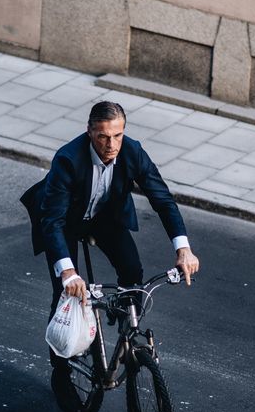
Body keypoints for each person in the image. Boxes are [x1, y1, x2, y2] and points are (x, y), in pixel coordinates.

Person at [21, 101, 201, 360]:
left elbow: (162, 199)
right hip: (65, 221)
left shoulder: (132, 152)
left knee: (132, 271)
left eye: (117, 135)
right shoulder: (68, 159)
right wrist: (69, 273)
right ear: (89, 132)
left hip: (105, 217)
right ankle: (61, 371)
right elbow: (52, 221)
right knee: (66, 293)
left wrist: (183, 248)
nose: (111, 145)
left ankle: (128, 328)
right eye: (103, 137)